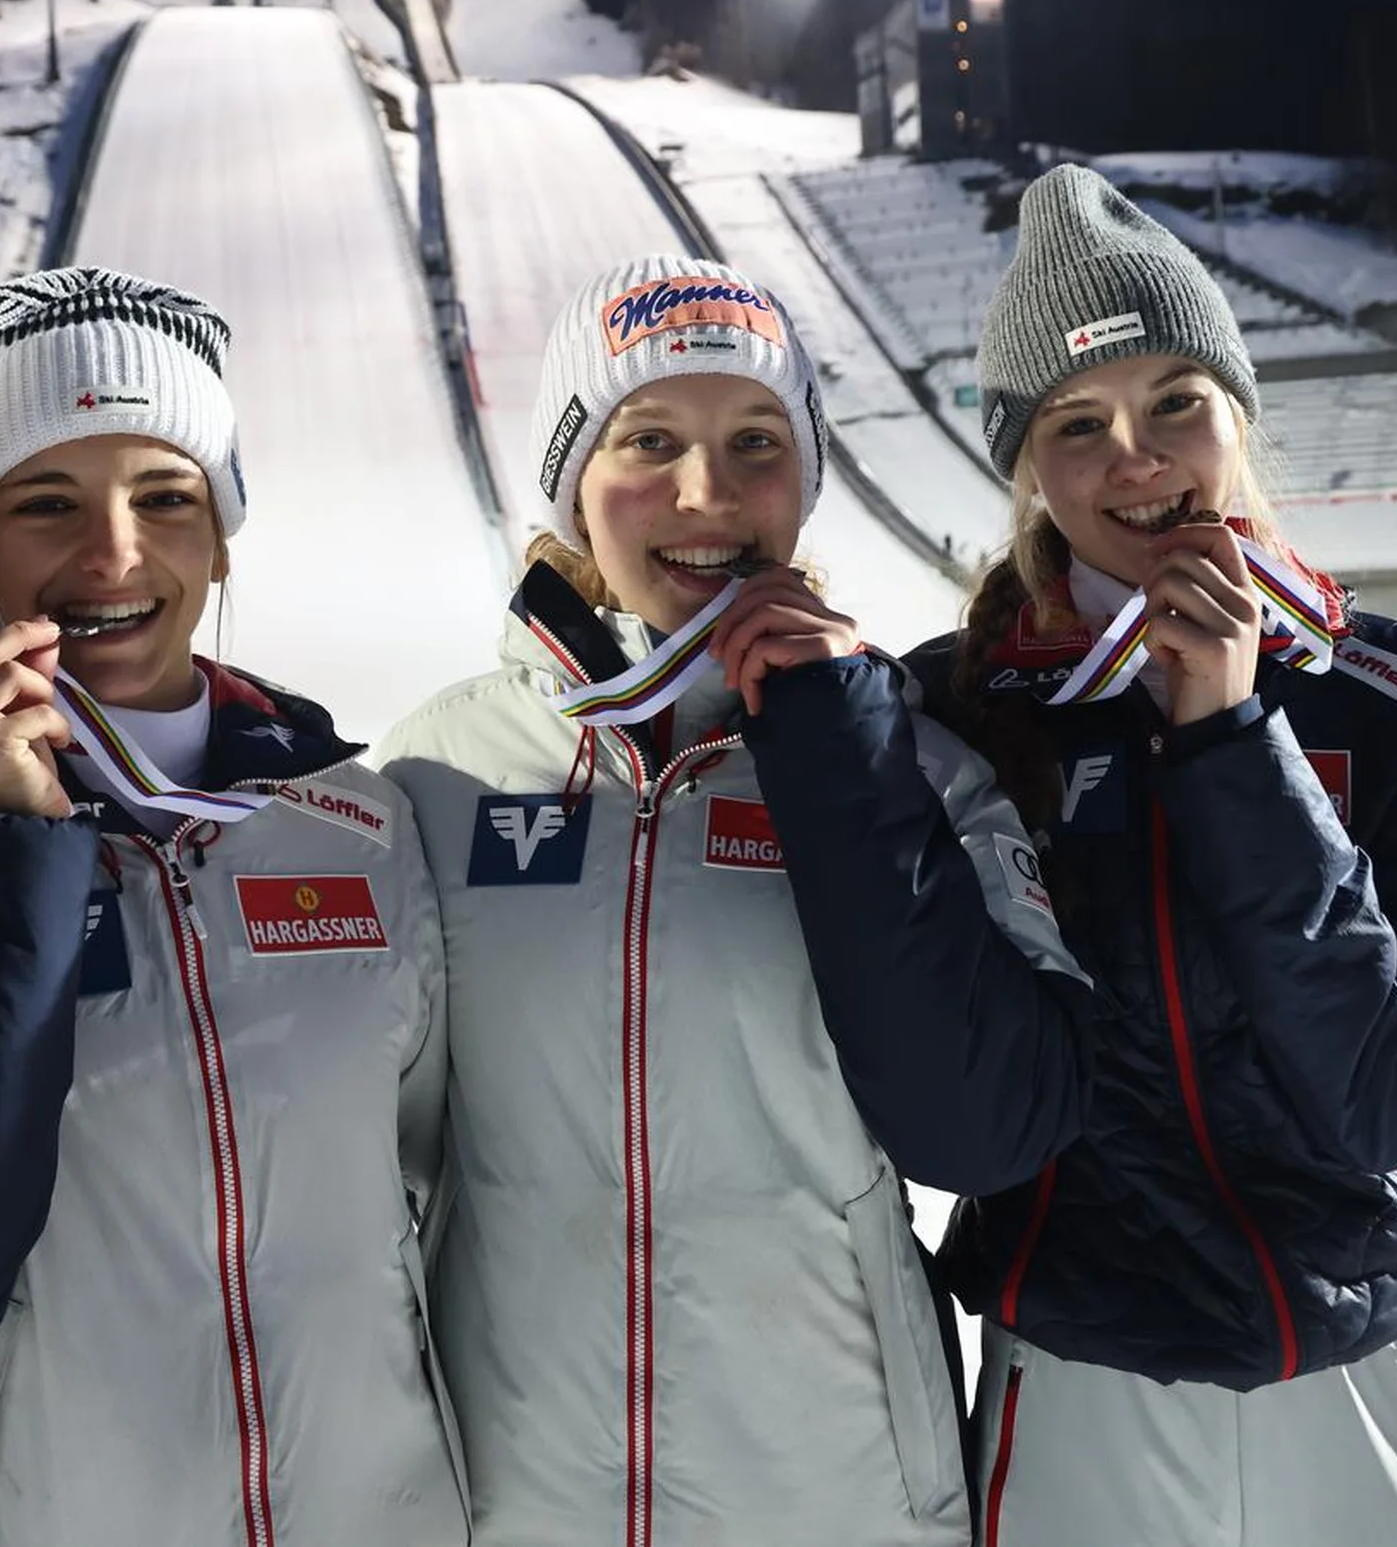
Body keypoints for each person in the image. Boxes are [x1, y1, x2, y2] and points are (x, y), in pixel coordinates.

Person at [0, 266, 467, 1547]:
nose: (114, 552)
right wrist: (3, 849)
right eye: (46, 501)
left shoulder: (358, 820)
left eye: (166, 497)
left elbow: (434, 1199)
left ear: (222, 532)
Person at [378, 256, 1091, 1547]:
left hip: (839, 1493)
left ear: (804, 481)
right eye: (648, 438)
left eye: (756, 440)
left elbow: (993, 1125)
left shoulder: (915, 766)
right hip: (515, 1499)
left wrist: (841, 755)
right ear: (572, 483)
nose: (706, 493)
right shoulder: (435, 774)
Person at [902, 166, 1397, 1547]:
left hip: (1353, 1369)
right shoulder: (955, 710)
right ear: (1028, 469)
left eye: (1177, 401)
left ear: (1239, 410)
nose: (1137, 460)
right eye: (1078, 425)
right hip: (1078, 1378)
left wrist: (1232, 735)